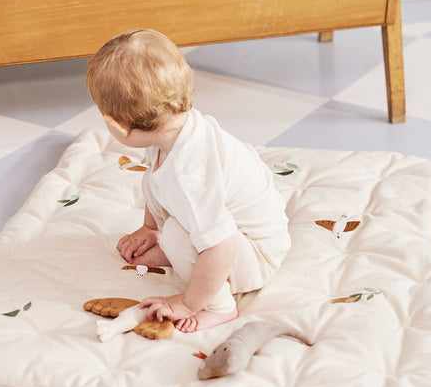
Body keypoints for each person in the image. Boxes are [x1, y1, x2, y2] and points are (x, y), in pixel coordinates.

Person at [86, 29, 291, 333]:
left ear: (117, 125)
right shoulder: (172, 131)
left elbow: (221, 246)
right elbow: (154, 186)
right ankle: (175, 250)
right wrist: (150, 228)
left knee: (178, 235)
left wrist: (185, 303)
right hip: (240, 236)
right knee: (172, 232)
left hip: (253, 254)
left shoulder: (189, 174)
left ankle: (219, 305)